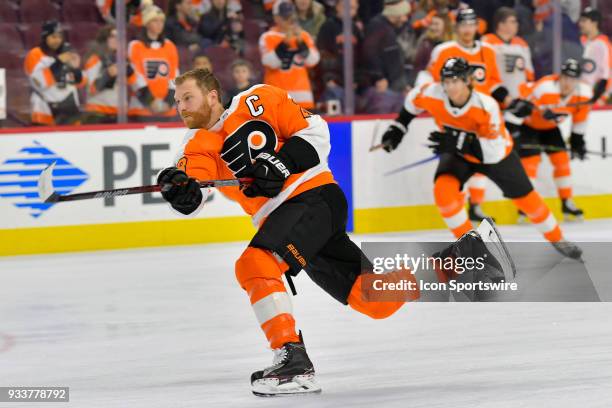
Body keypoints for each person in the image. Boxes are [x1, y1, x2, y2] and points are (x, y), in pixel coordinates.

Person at [158, 67, 518, 396]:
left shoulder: (259, 98)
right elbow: (196, 189)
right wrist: (180, 190)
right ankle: (461, 261)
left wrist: (284, 163)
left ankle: (292, 359)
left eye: (187, 98)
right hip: (288, 221)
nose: (181, 107)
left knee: (254, 264)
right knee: (373, 299)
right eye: (176, 101)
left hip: (313, 197)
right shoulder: (194, 146)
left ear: (211, 95)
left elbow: (315, 132)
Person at [381, 57, 582, 259]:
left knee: (528, 201)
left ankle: (558, 238)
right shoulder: (432, 93)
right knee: (443, 194)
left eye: (456, 81)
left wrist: (458, 141)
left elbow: (493, 150)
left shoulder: (487, 106)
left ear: (468, 81)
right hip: (458, 154)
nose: (450, 87)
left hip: (496, 155)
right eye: (446, 81)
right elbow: (412, 101)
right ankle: (474, 251)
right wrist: (398, 127)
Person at [420, 8, 511, 223]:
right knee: (457, 161)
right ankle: (459, 206)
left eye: (471, 24)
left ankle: (476, 206)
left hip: (481, 115)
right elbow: (428, 77)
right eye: (463, 25)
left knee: (481, 157)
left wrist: (509, 101)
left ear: (477, 27)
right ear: (456, 27)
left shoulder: (488, 51)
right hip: (454, 115)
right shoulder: (444, 51)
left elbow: (494, 82)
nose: (468, 29)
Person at [517, 58, 593, 222]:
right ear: (560, 76)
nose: (568, 83)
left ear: (578, 80)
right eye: (565, 77)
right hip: (528, 125)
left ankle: (566, 203)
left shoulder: (584, 94)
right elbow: (522, 104)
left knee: (562, 161)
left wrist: (577, 141)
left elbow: (580, 121)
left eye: (573, 79)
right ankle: (525, 208)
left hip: (549, 128)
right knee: (531, 163)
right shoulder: (545, 87)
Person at [481, 8, 536, 138]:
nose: (516, 24)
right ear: (500, 24)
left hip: (518, 105)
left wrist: (527, 96)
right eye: (512, 21)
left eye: (516, 22)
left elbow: (529, 74)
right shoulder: (488, 41)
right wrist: (502, 96)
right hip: (497, 101)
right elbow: (486, 75)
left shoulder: (522, 43)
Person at [259, 0, 320, 109]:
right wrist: (284, 44)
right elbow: (270, 63)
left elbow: (313, 61)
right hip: (277, 98)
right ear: (276, 17)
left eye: (290, 16)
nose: (288, 20)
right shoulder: (268, 36)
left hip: (303, 98)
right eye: (285, 17)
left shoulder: (303, 36)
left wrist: (302, 44)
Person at [24, 21, 85, 126]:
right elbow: (41, 83)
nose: (57, 40)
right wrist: (59, 62)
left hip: (69, 110)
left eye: (60, 37)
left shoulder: (66, 53)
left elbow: (80, 82)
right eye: (53, 37)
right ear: (45, 37)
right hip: (44, 110)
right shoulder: (35, 54)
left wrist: (76, 69)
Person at [128, 5, 179, 122]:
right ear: (146, 23)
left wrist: (169, 101)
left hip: (166, 109)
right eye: (155, 20)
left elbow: (174, 75)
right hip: (142, 109)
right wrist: (151, 101)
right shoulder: (136, 45)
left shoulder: (169, 45)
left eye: (161, 21)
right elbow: (135, 76)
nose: (159, 24)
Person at [83, 26, 137, 124]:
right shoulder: (95, 59)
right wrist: (107, 74)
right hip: (98, 113)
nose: (117, 40)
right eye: (113, 36)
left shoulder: (123, 59)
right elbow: (91, 89)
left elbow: (133, 82)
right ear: (104, 39)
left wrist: (129, 69)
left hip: (120, 114)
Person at [362, 0, 413, 93]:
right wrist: (379, 77)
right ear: (396, 13)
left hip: (398, 82)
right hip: (384, 84)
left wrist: (406, 83)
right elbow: (370, 54)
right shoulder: (376, 26)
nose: (406, 19)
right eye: (404, 15)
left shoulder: (401, 27)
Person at [578, 7, 611, 104]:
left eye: (584, 21)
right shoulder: (579, 41)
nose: (580, 24)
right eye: (580, 20)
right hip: (577, 94)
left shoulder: (604, 45)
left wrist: (601, 98)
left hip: (593, 97)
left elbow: (609, 75)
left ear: (594, 23)